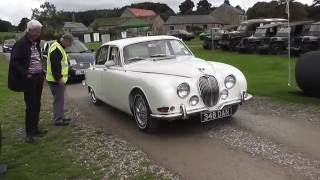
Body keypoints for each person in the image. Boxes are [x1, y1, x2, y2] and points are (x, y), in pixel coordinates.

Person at [8, 20, 47, 143]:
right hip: (30, 79)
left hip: (39, 77)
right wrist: (26, 74)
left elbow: (36, 58)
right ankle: (29, 134)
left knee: (37, 104)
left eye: (40, 31)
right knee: (31, 106)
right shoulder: (21, 44)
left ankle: (35, 129)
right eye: (37, 31)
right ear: (30, 31)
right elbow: (15, 62)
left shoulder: (36, 42)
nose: (39, 33)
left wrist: (42, 70)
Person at [46, 34, 73, 126]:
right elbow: (55, 66)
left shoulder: (58, 47)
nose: (69, 45)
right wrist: (59, 79)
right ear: (65, 41)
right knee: (58, 100)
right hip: (56, 81)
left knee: (60, 100)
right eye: (69, 43)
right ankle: (58, 120)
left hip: (56, 80)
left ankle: (61, 117)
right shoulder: (56, 49)